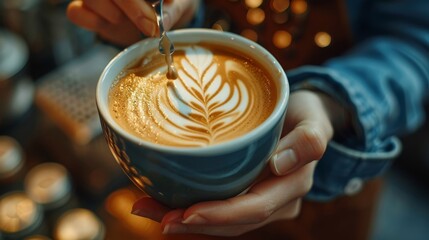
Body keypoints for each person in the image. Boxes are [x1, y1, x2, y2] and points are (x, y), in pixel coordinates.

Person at [67, 0, 429, 237]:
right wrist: (147, 16)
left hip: (327, 189)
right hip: (176, 198)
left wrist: (330, 101)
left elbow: (416, 42)